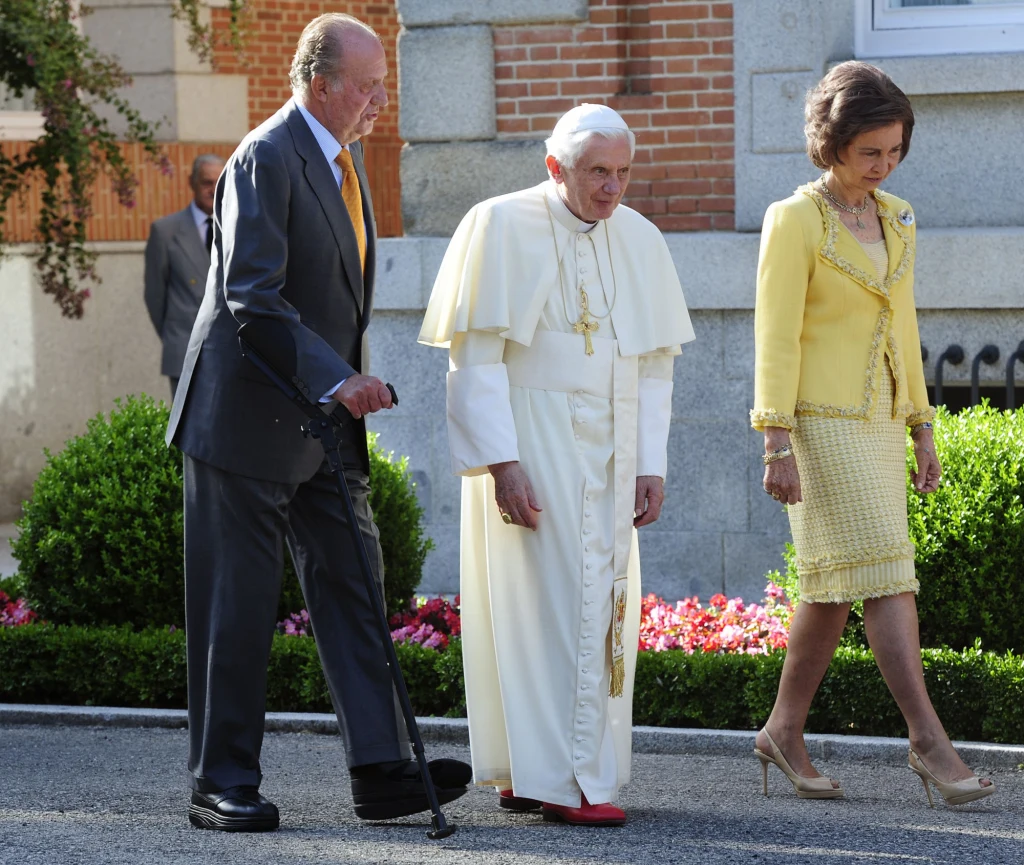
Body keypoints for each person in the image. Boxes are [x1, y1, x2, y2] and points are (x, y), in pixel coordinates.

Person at [165, 13, 470, 832]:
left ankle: (382, 772)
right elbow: (252, 298)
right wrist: (339, 379)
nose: (380, 101)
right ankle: (219, 781)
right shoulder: (267, 156)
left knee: (354, 586)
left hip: (322, 423)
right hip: (245, 420)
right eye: (367, 86)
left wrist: (336, 391)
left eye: (381, 85)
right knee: (238, 606)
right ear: (318, 82)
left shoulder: (343, 160)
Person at [419, 104, 695, 827]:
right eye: (597, 171)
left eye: (623, 172)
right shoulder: (500, 224)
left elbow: (655, 365)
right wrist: (502, 464)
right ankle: (565, 780)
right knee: (538, 599)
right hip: (532, 432)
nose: (612, 188)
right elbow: (473, 357)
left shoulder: (639, 236)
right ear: (555, 167)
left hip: (611, 438)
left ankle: (539, 771)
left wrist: (649, 463)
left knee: (597, 601)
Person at [751, 61, 994, 808]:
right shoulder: (795, 219)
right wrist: (776, 438)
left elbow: (906, 326)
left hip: (884, 421)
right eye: (870, 152)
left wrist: (923, 426)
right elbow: (776, 334)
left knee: (831, 585)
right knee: (888, 572)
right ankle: (927, 738)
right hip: (819, 425)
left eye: (893, 150)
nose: (883, 165)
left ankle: (781, 731)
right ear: (832, 143)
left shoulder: (899, 217)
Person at [144, 154, 226, 399]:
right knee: (189, 434)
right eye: (206, 183)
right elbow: (155, 298)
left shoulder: (240, 229)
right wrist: (177, 337)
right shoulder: (165, 232)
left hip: (231, 356)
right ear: (191, 183)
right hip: (185, 355)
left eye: (218, 182)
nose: (213, 190)